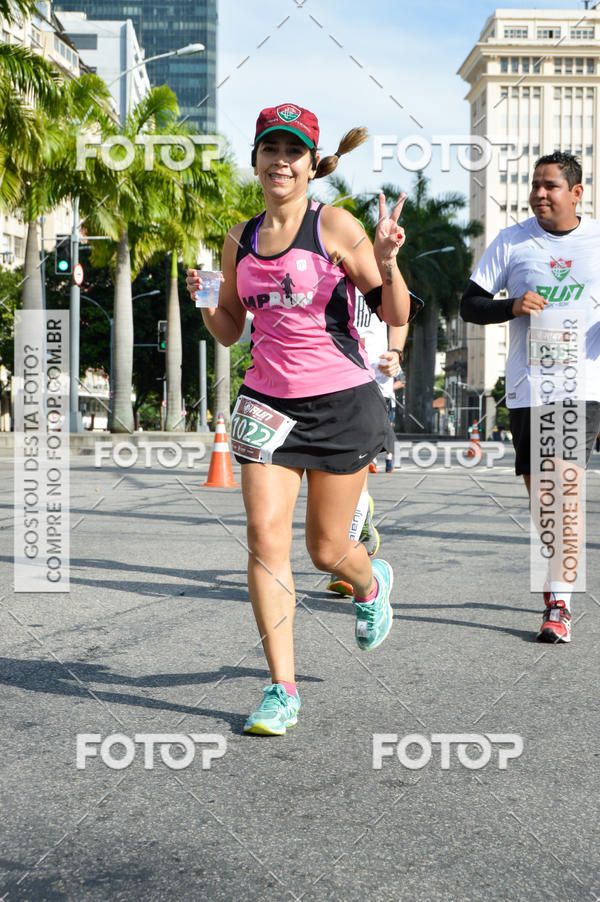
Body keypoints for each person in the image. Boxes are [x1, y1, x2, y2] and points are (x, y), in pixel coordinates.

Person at [186, 103, 412, 733]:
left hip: (341, 403)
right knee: (263, 540)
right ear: (255, 159)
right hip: (266, 402)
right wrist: (206, 297)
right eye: (269, 150)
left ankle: (369, 582)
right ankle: (280, 689)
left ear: (313, 164)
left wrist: (389, 260)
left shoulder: (335, 226)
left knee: (325, 549)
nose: (280, 162)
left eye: (293, 152)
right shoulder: (240, 238)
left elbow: (395, 312)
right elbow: (231, 330)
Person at [461, 151, 600, 644]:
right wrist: (511, 306)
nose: (540, 193)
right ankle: (556, 589)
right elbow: (470, 304)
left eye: (551, 186)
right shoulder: (512, 241)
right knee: (544, 500)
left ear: (577, 193)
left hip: (583, 385)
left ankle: (559, 603)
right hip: (529, 388)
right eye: (536, 185)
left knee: (564, 494)